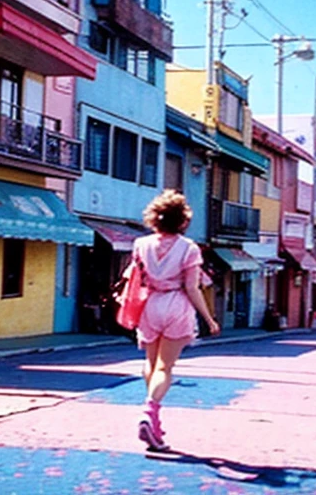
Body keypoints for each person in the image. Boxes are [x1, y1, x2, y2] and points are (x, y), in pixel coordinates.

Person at [130, 189, 220, 451]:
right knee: (165, 367)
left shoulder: (141, 245)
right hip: (176, 305)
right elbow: (192, 287)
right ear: (182, 220)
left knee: (150, 362)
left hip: (151, 304)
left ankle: (155, 426)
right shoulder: (188, 248)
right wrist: (209, 318)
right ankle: (149, 411)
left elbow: (138, 279)